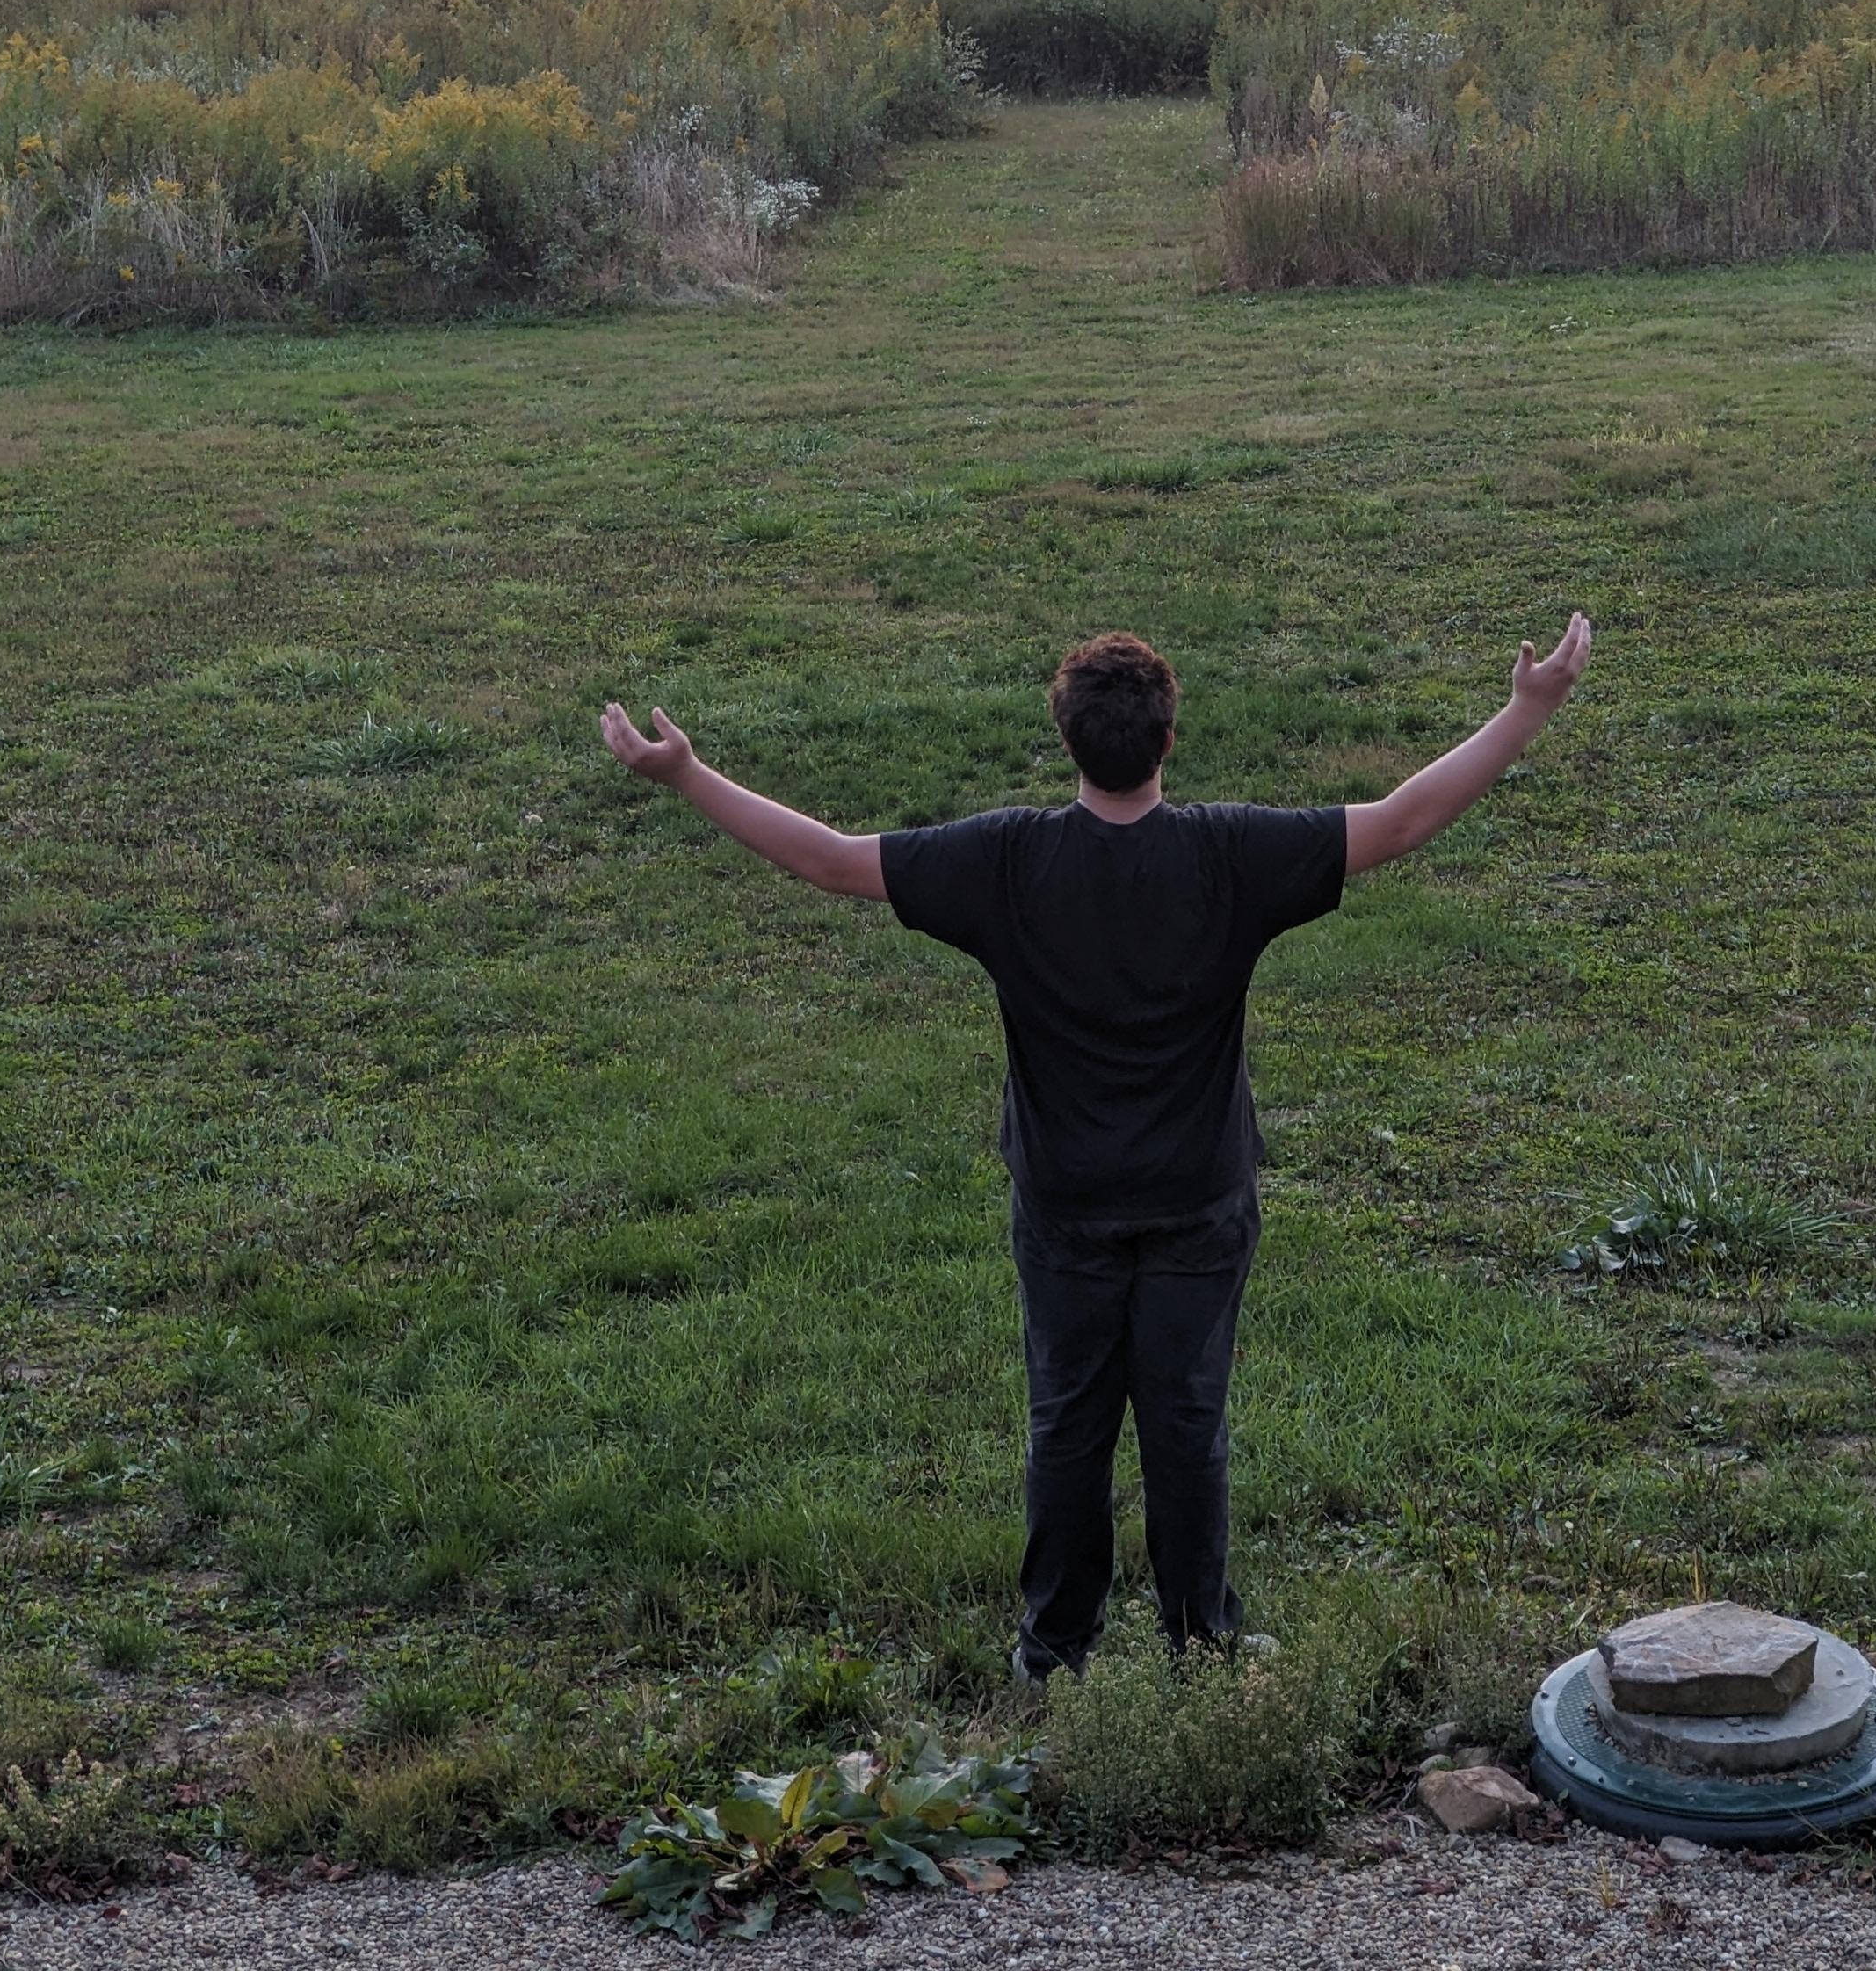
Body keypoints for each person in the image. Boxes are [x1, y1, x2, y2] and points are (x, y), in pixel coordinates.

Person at [599, 612, 1592, 1681]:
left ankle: (1055, 1650)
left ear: (1065, 741)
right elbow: (1401, 821)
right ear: (1170, 740)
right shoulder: (1230, 854)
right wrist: (1525, 710)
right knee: (1187, 1423)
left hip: (1065, 1204)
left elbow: (835, 863)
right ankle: (1200, 1645)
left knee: (1067, 1428)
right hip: (1199, 1203)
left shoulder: (1006, 861)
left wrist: (690, 775)